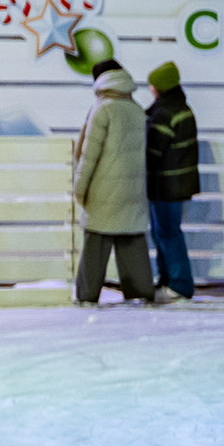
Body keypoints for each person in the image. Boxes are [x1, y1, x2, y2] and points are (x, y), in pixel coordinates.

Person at [71, 60, 158, 306]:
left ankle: (87, 296)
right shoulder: (136, 109)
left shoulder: (103, 109)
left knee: (95, 246)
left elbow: (89, 156)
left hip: (103, 191)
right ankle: (140, 292)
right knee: (131, 241)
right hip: (131, 191)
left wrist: (79, 189)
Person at [143, 61, 199, 301]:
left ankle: (179, 284)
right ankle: (168, 280)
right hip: (177, 183)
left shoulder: (164, 113)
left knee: (167, 233)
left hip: (166, 184)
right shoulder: (181, 108)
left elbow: (153, 152)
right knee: (164, 232)